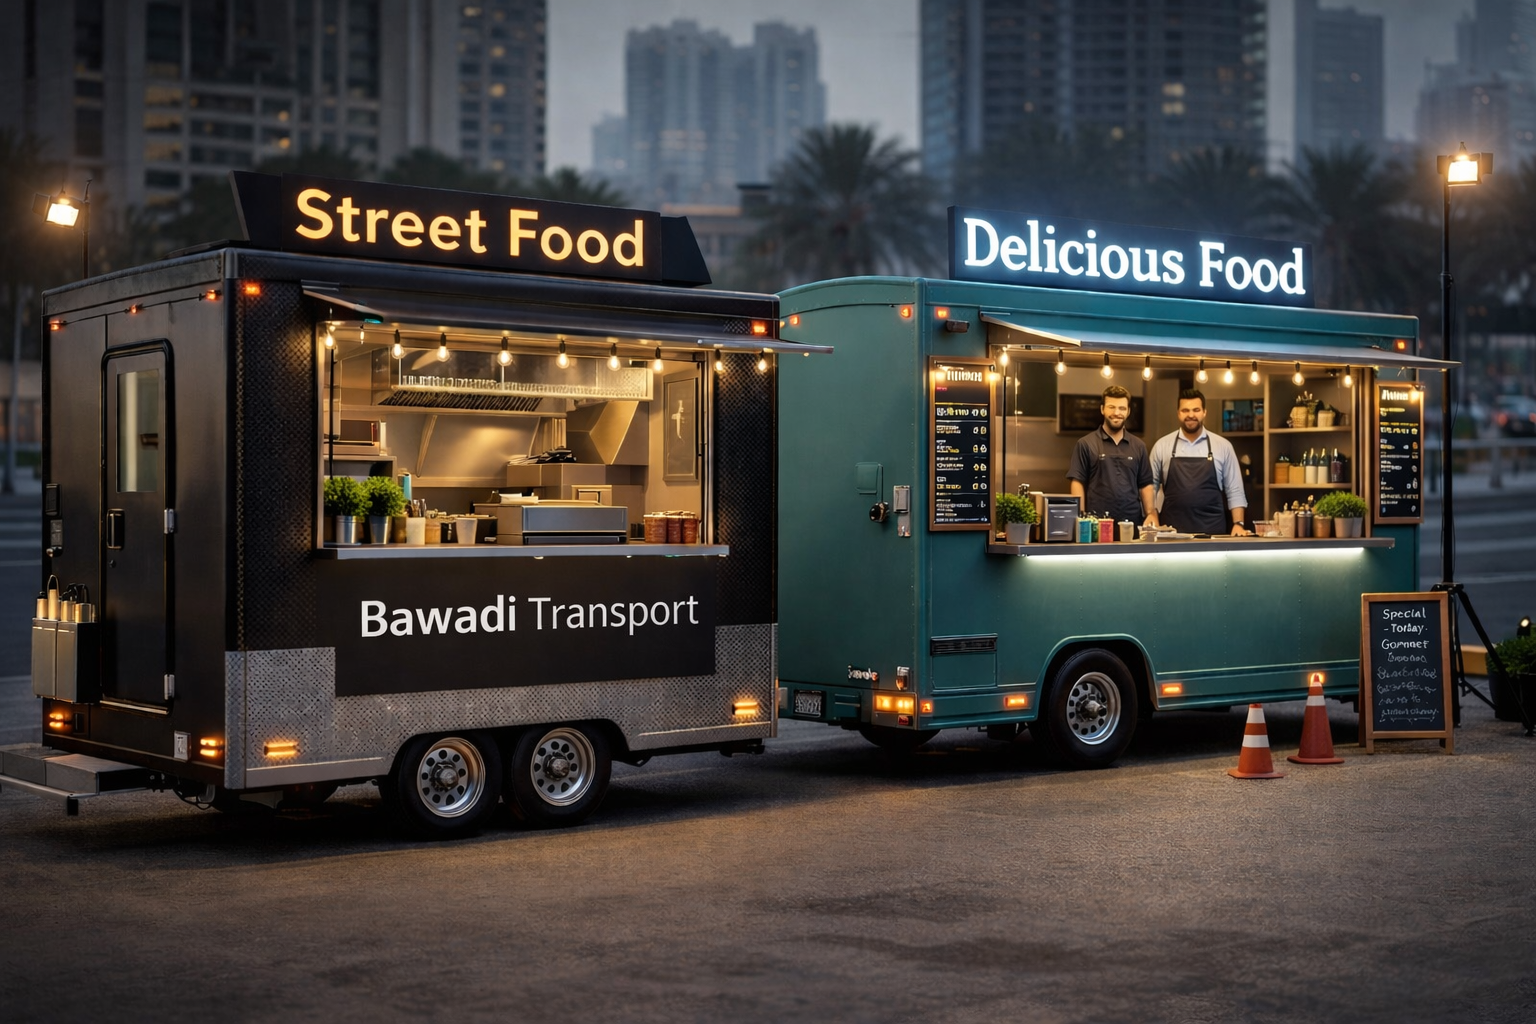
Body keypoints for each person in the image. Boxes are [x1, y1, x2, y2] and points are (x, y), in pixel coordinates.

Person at [1150, 389, 1249, 535]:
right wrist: (1152, 514)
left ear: (1204, 412)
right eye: (1185, 410)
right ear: (1178, 413)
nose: (1191, 415)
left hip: (1213, 532)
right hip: (1171, 532)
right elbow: (1150, 487)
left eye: (1196, 410)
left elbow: (1234, 489)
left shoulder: (1223, 446)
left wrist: (1238, 524)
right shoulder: (1162, 446)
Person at [1067, 385, 1155, 530]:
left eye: (1122, 408)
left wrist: (1150, 513)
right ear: (1102, 409)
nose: (1117, 412)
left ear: (1128, 411)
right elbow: (1078, 482)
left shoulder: (1139, 446)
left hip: (1132, 525)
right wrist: (1081, 519)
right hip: (1096, 525)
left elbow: (1145, 484)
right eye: (1111, 407)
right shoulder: (1085, 444)